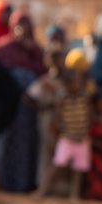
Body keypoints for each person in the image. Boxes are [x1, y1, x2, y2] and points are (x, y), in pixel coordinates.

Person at [0, 10, 46, 192]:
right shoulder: (2, 49)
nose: (20, 31)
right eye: (17, 27)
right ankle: (6, 182)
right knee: (7, 142)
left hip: (30, 110)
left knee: (29, 145)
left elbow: (46, 73)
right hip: (8, 109)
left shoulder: (37, 52)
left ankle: (26, 183)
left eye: (24, 27)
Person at [37, 68, 91, 200]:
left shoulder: (84, 98)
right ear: (67, 84)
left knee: (78, 169)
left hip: (82, 137)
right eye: (74, 82)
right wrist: (64, 132)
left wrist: (85, 132)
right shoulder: (62, 98)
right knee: (58, 163)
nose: (77, 85)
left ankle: (74, 195)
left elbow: (89, 116)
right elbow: (58, 118)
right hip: (67, 137)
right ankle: (42, 190)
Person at [26, 49, 66, 187]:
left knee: (59, 151)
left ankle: (57, 186)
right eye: (60, 58)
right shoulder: (45, 81)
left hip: (63, 120)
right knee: (47, 151)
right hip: (48, 118)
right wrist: (45, 106)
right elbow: (28, 97)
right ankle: (43, 184)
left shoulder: (66, 81)